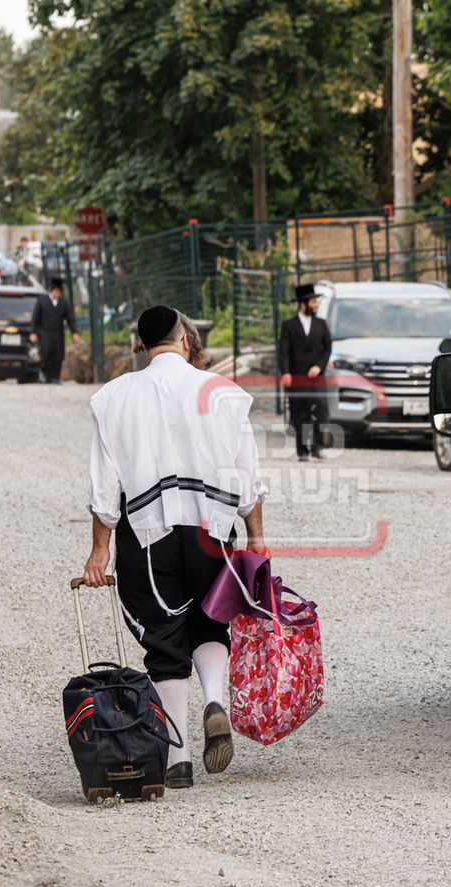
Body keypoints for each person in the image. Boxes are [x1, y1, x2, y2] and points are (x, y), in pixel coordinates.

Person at [84, 305, 268, 789]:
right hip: (214, 528)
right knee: (210, 619)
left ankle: (178, 757)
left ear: (141, 346)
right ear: (185, 340)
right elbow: (248, 477)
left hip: (149, 532)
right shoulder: (224, 394)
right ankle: (215, 702)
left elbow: (105, 488)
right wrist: (257, 539)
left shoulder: (113, 397)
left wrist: (99, 550)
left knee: (165, 637)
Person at [278, 283, 332, 461]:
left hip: (316, 378)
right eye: (313, 301)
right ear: (303, 304)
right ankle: (302, 450)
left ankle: (318, 446)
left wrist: (319, 366)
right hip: (297, 377)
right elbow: (284, 352)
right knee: (299, 413)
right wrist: (285, 372)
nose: (316, 304)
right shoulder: (289, 325)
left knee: (319, 412)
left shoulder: (321, 324)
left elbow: (327, 349)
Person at [30, 279, 79, 383]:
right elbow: (35, 318)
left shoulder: (63, 302)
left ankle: (55, 377)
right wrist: (33, 332)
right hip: (45, 333)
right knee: (46, 354)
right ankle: (45, 376)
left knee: (58, 356)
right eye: (56, 291)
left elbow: (70, 318)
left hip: (58, 333)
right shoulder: (42, 301)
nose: (57, 293)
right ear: (52, 291)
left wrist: (74, 332)